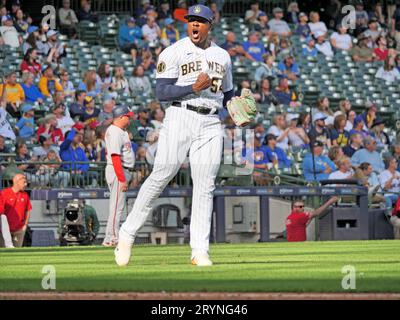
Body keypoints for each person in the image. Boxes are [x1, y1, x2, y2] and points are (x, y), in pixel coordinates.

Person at [115, 4, 234, 267]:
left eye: (200, 21)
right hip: (180, 116)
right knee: (162, 174)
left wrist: (237, 105)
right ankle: (127, 233)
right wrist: (192, 87)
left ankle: (199, 251)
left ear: (209, 25)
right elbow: (162, 92)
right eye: (191, 20)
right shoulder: (174, 51)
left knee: (205, 186)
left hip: (211, 121)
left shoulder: (222, 56)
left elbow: (227, 94)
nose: (194, 24)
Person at [102, 106, 135, 247]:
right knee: (116, 207)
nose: (130, 118)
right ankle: (111, 238)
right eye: (127, 116)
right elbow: (115, 157)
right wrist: (122, 179)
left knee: (118, 206)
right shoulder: (114, 131)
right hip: (117, 171)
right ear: (121, 117)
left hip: (121, 170)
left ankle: (112, 236)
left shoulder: (121, 131)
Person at [0, 174, 31, 247]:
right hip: (5, 230)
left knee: (17, 251)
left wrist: (25, 225)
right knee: (4, 250)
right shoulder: (4, 193)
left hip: (19, 229)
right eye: (24, 182)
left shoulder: (25, 195)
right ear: (17, 182)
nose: (26, 184)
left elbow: (28, 210)